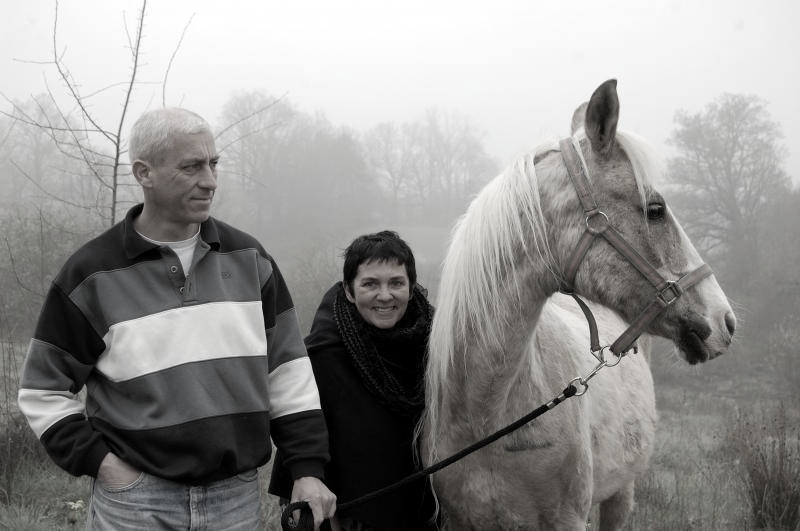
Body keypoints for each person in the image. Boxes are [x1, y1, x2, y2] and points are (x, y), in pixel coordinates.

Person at [17, 107, 336, 530]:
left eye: (213, 163)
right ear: (144, 173)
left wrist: (308, 469)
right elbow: (42, 392)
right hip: (135, 503)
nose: (210, 180)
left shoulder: (250, 260)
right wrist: (106, 466)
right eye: (192, 167)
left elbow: (289, 375)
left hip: (235, 500)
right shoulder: (90, 274)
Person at [269, 230, 438, 531]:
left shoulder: (435, 346)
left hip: (426, 511)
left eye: (396, 283)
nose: (385, 295)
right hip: (347, 516)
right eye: (370, 284)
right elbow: (300, 434)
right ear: (349, 289)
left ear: (412, 289)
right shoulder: (324, 354)